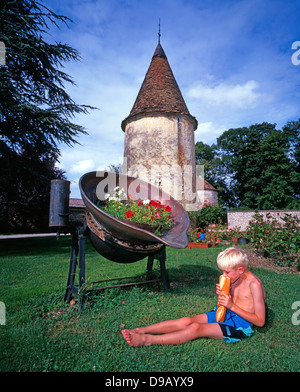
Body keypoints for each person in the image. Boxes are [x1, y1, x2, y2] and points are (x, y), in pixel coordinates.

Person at [121, 247, 266, 346]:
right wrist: (225, 294)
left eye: (227, 272)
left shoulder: (255, 285)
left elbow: (260, 321)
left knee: (195, 328)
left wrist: (231, 305)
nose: (223, 275)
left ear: (240, 269)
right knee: (186, 321)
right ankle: (141, 330)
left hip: (240, 326)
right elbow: (235, 299)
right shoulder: (235, 277)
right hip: (226, 313)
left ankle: (147, 339)